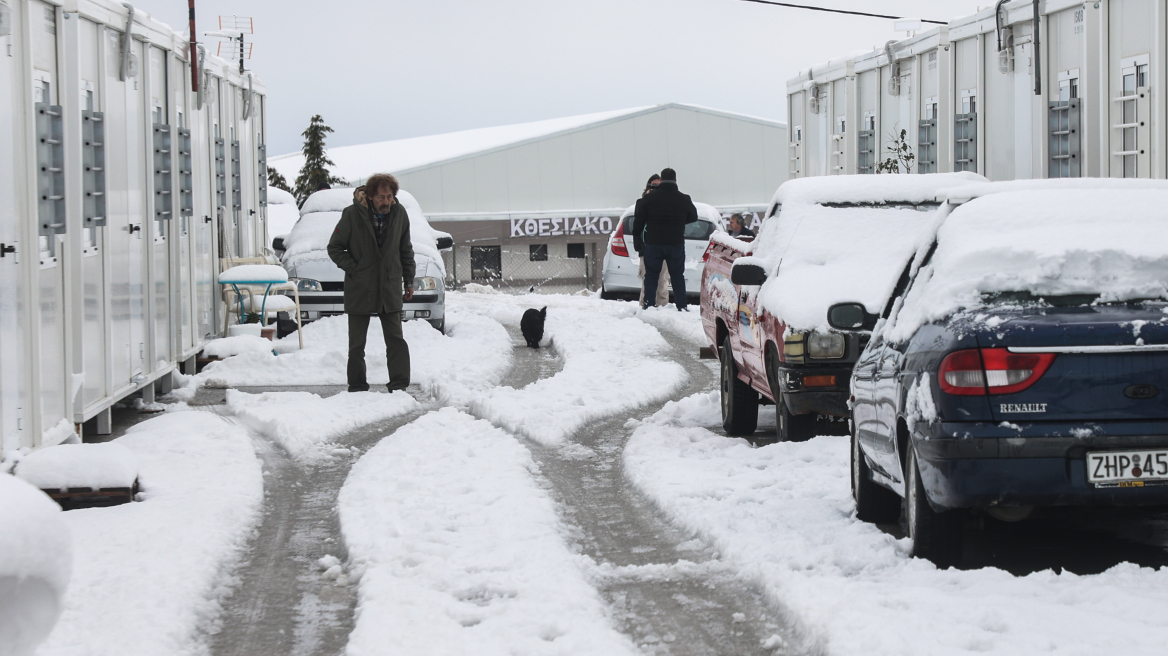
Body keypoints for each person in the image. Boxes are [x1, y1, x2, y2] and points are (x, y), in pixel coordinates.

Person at [328, 173, 415, 393]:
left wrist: (409, 280)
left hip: (389, 286)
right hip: (360, 287)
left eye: (389, 197)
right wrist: (355, 269)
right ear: (369, 196)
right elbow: (334, 248)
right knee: (357, 344)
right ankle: (357, 386)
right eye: (381, 197)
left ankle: (399, 385)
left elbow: (405, 249)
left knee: (396, 339)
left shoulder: (400, 214)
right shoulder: (352, 214)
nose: (386, 202)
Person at [632, 167, 697, 311]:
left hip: (653, 243)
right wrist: (678, 221)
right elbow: (693, 216)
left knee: (651, 275)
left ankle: (648, 305)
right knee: (677, 276)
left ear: (661, 180)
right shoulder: (683, 198)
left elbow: (639, 220)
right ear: (675, 180)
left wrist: (637, 236)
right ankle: (681, 306)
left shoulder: (649, 198)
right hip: (676, 243)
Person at [637, 174, 670, 308]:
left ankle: (662, 306)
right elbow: (638, 222)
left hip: (663, 245)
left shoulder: (667, 201)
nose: (656, 188)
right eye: (653, 185)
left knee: (662, 280)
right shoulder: (643, 202)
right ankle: (644, 306)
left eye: (659, 186)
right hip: (647, 246)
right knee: (647, 279)